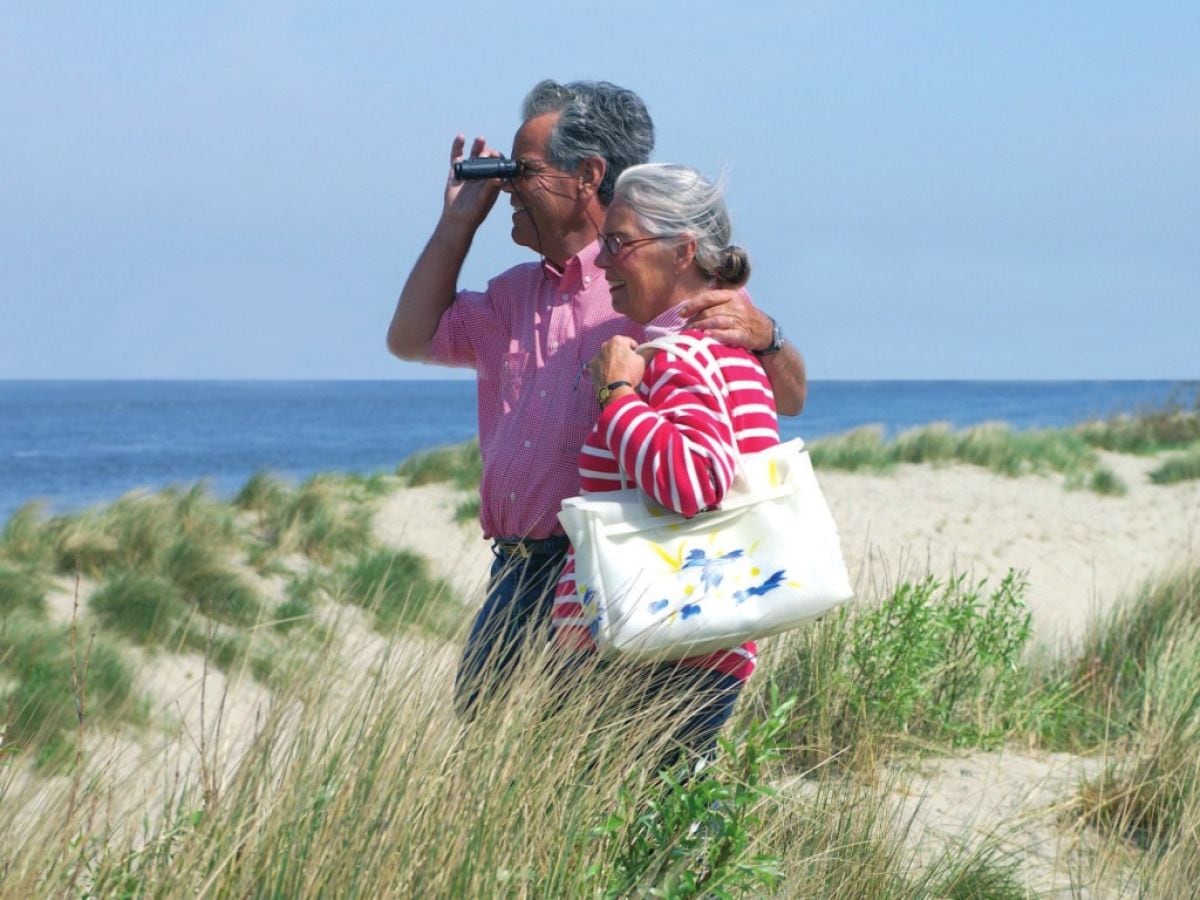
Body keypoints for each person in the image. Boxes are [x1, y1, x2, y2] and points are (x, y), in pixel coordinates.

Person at [386, 80, 807, 719]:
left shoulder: (653, 285)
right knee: (485, 755)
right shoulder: (512, 296)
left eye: (522, 171)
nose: (507, 186)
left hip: (608, 563)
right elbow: (409, 339)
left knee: (584, 765)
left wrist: (769, 336)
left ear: (587, 175)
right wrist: (456, 225)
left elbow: (782, 399)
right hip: (515, 567)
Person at [551, 163, 776, 766]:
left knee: (610, 841)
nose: (601, 264)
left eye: (619, 244)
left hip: (651, 650)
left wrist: (617, 395)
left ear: (683, 252)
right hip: (697, 639)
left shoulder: (679, 355)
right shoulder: (737, 354)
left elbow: (694, 482)